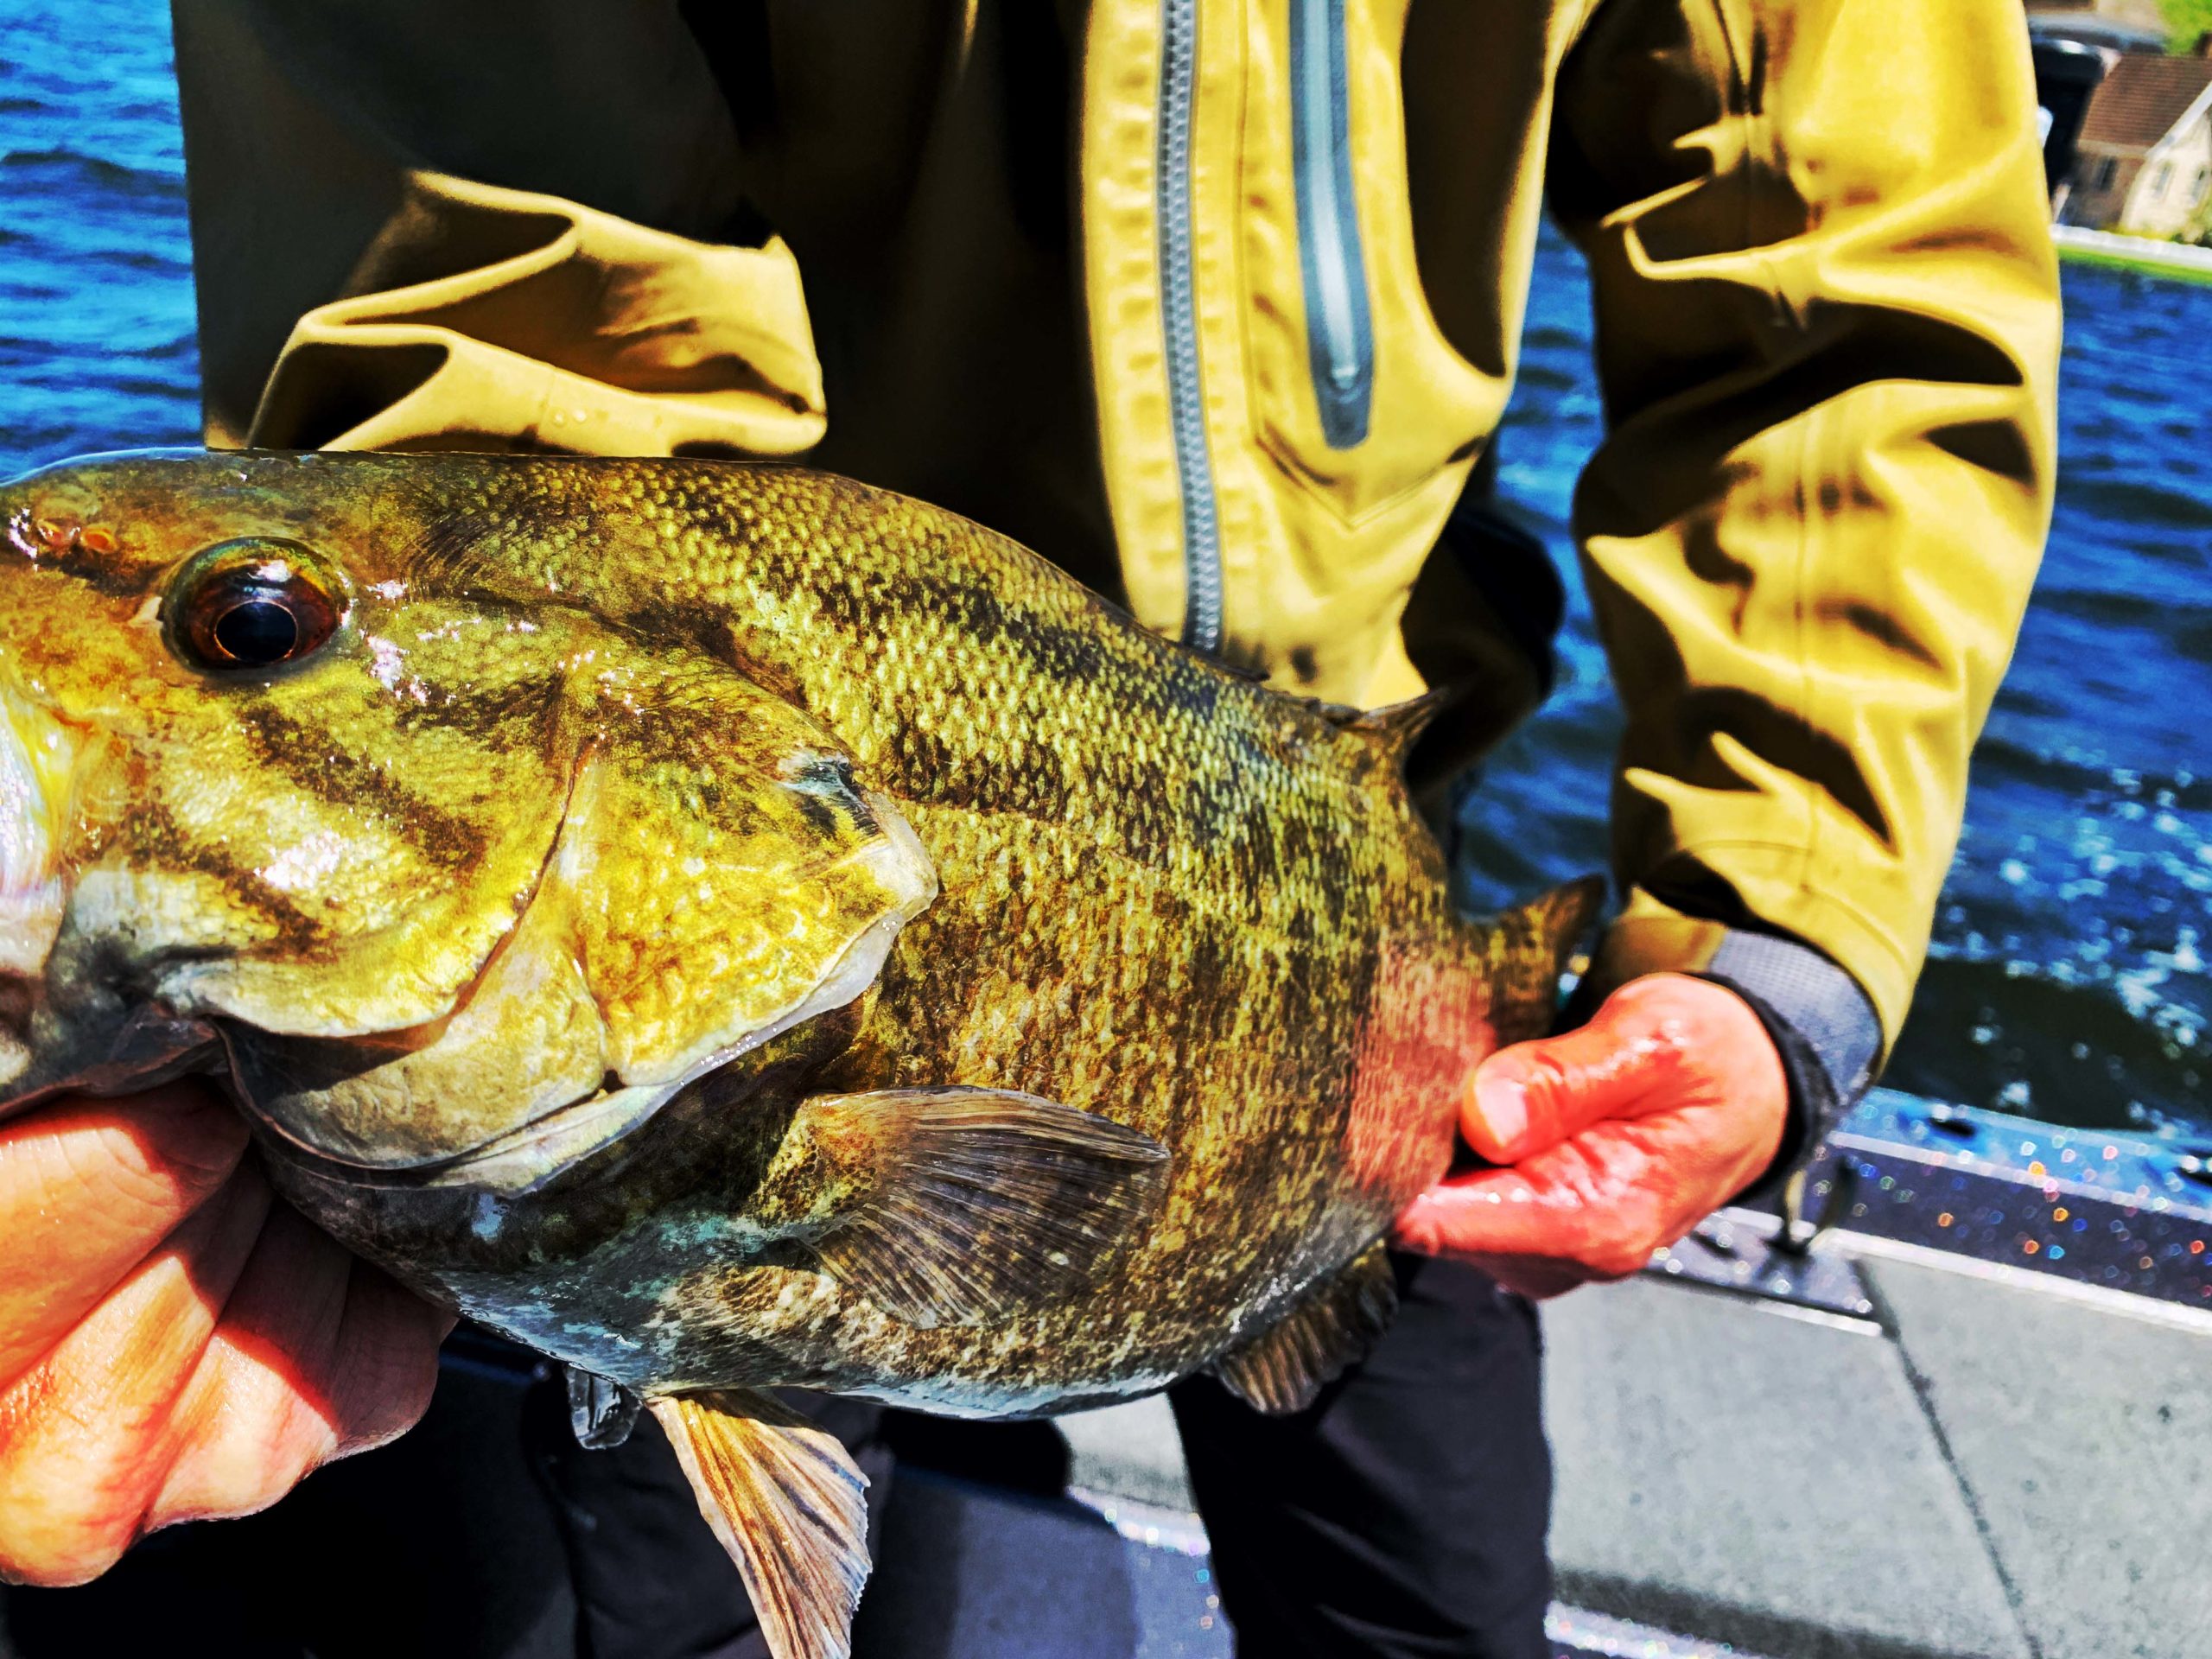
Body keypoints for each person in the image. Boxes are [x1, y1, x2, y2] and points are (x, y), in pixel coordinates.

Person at [0, 2, 2058, 1654]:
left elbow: (1851, 265)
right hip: (786, 837)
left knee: (1427, 1602)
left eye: (249, 632)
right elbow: (500, 260)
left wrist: (1780, 936)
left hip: (1345, 906)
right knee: (660, 1589)